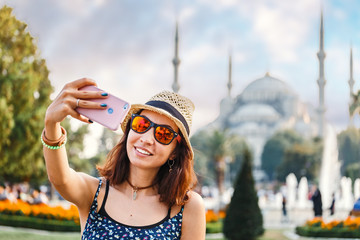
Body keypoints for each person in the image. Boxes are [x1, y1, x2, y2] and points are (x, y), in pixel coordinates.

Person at [42, 78, 205, 239]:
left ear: (175, 152)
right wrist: (51, 124)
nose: (146, 138)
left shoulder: (187, 206)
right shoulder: (95, 193)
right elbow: (60, 179)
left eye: (163, 134)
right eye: (141, 124)